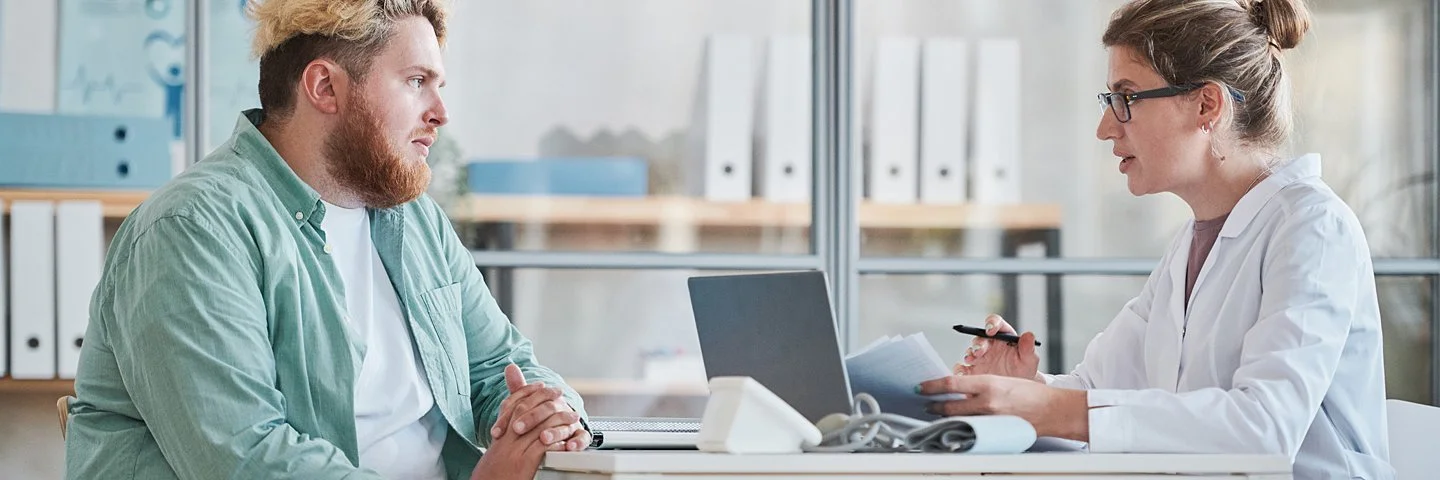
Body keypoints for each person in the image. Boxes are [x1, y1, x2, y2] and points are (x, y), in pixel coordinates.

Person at [64, 1, 588, 478]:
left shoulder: (412, 219)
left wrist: (549, 413)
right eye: (415, 81)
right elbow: (246, 458)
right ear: (324, 87)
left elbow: (502, 365)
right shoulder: (193, 229)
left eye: (438, 86)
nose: (439, 113)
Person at [918, 1, 1393, 478]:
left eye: (1126, 98)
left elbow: (1265, 428)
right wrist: (1025, 386)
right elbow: (1096, 388)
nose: (1105, 128)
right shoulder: (1190, 244)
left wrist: (1048, 407)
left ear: (1207, 104)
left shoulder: (1311, 226)